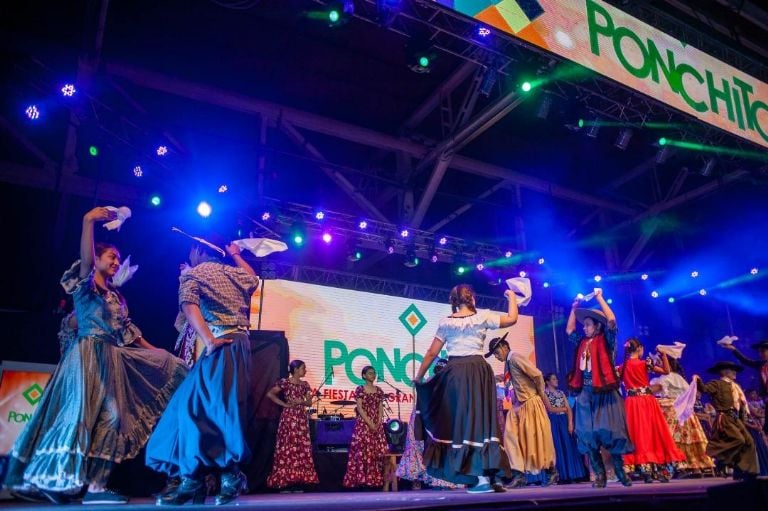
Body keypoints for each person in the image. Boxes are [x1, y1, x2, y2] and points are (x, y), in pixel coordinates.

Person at [5, 207, 188, 505]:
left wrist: (160, 353)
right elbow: (87, 263)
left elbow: (129, 333)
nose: (116, 262)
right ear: (97, 259)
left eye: (117, 259)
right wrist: (88, 221)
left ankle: (96, 486)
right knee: (78, 417)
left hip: (110, 358)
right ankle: (56, 480)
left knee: (113, 418)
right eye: (111, 257)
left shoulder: (116, 297)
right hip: (87, 356)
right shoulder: (86, 288)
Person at [146, 235, 260, 505]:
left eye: (191, 250)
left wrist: (208, 339)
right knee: (192, 406)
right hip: (236, 344)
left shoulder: (193, 273)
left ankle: (225, 475)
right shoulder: (233, 272)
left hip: (221, 344)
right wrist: (236, 254)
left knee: (211, 409)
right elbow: (253, 279)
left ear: (198, 250)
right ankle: (194, 478)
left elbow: (188, 306)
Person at [413, 285, 519, 493]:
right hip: (479, 371)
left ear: (453, 301)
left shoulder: (447, 322)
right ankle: (490, 474)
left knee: (463, 423)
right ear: (472, 299)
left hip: (457, 373)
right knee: (482, 421)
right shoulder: (482, 316)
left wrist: (418, 376)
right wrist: (512, 296)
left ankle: (481, 477)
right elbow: (512, 318)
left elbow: (432, 353)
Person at [565, 289, 633, 488]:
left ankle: (620, 471)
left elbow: (611, 320)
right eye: (584, 324)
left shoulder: (607, 340)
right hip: (585, 393)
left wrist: (599, 297)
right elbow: (569, 330)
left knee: (610, 432)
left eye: (588, 324)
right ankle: (600, 476)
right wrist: (574, 308)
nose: (584, 328)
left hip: (604, 392)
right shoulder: (581, 342)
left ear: (597, 326)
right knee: (588, 434)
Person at [487, 334, 556, 488]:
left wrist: (539, 393)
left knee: (536, 438)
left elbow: (537, 374)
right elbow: (512, 377)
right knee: (510, 437)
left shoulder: (515, 358)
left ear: (504, 347)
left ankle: (551, 471)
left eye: (497, 353)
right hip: (518, 405)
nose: (497, 357)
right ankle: (518, 474)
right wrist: (494, 378)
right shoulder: (509, 362)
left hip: (530, 402)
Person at [619, 339, 685, 482]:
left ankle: (644, 470)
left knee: (637, 435)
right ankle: (657, 467)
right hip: (646, 402)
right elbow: (667, 371)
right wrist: (663, 355)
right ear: (639, 349)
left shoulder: (622, 367)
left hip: (631, 403)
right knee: (653, 433)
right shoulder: (645, 363)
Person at [649, 344, 714, 477]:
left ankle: (678, 466)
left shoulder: (665, 378)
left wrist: (638, 388)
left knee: (672, 438)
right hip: (685, 413)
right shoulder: (680, 378)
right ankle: (695, 467)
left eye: (659, 362)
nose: (657, 365)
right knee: (688, 438)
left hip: (673, 412)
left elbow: (654, 390)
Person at [396, 359, 460, 490]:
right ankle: (417, 479)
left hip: (437, 419)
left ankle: (439, 480)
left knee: (435, 449)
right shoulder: (430, 382)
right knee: (417, 447)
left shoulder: (450, 383)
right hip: (423, 417)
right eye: (439, 370)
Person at [694, 361, 759, 480]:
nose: (735, 373)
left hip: (735, 418)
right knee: (738, 439)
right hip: (725, 417)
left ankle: (746, 471)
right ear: (725, 372)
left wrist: (744, 418)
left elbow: (740, 405)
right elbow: (704, 389)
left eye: (735, 370)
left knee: (749, 442)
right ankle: (722, 460)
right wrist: (697, 380)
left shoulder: (736, 387)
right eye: (732, 370)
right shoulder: (717, 384)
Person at [266, 360, 319, 491]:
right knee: (287, 446)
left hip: (301, 418)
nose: (305, 370)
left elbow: (309, 403)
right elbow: (270, 394)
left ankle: (298, 481)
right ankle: (285, 481)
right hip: (289, 417)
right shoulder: (285, 382)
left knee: (300, 447)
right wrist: (284, 404)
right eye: (303, 368)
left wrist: (301, 401)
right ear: (295, 370)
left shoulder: (305, 384)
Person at [342, 366, 389, 489]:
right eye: (370, 373)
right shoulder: (360, 389)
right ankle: (363, 481)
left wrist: (378, 423)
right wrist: (370, 423)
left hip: (376, 424)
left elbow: (380, 408)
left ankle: (376, 480)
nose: (373, 375)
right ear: (364, 375)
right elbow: (360, 408)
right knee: (363, 451)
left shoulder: (379, 390)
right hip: (363, 423)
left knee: (377, 452)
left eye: (374, 373)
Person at [544, 373, 587, 483]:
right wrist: (564, 409)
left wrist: (570, 423)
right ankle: (562, 475)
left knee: (568, 446)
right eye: (553, 379)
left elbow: (569, 409)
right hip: (554, 421)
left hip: (564, 421)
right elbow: (550, 409)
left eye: (556, 378)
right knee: (558, 447)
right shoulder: (545, 393)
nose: (556, 380)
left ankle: (573, 475)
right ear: (547, 382)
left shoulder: (561, 393)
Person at [722, 339, 768, 435]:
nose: (761, 354)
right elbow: (746, 361)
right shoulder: (761, 365)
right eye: (760, 352)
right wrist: (733, 349)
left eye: (763, 351)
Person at [745, 390, 768, 476]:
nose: (754, 395)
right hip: (750, 428)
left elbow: (752, 415)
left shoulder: (755, 404)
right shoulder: (746, 405)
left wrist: (756, 424)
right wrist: (753, 426)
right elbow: (743, 420)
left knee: (763, 446)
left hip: (756, 425)